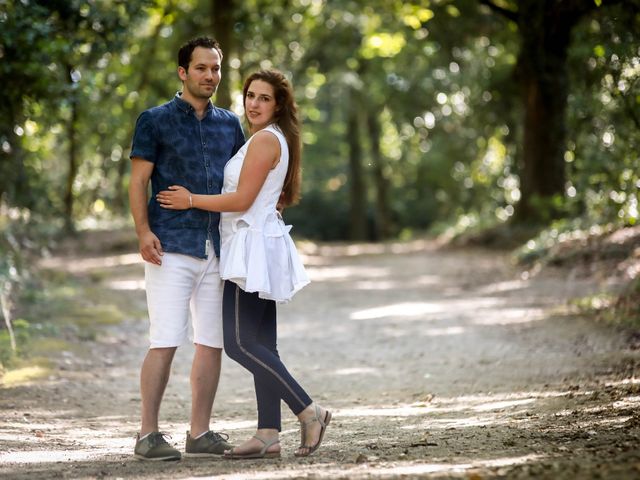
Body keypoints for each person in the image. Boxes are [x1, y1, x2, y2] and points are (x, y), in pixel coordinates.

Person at [156, 69, 331, 458]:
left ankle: (308, 409)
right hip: (256, 242)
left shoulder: (266, 140)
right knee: (263, 343)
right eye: (250, 95)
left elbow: (241, 201)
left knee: (238, 343)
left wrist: (190, 200)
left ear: (279, 104)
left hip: (249, 246)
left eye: (264, 98)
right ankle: (268, 432)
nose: (254, 103)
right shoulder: (270, 139)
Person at [128, 36, 245, 461]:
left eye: (215, 69)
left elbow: (240, 183)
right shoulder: (154, 120)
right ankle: (147, 435)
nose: (210, 76)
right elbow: (139, 181)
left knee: (211, 342)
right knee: (165, 339)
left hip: (217, 247)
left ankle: (200, 433)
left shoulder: (230, 124)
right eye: (201, 68)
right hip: (170, 246)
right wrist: (143, 232)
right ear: (183, 72)